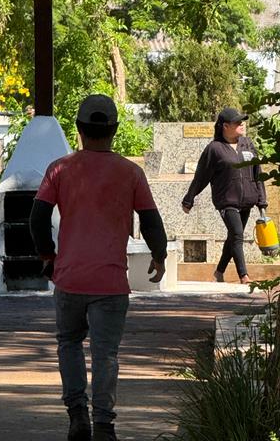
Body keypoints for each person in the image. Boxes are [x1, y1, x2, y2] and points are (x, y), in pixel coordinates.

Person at [29, 94, 168, 441]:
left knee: (69, 343)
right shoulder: (130, 172)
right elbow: (151, 220)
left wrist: (48, 256)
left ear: (78, 129)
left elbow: (37, 217)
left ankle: (77, 415)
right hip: (110, 283)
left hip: (69, 279)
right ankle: (104, 424)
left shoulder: (59, 169)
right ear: (115, 130)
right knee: (106, 354)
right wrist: (159, 255)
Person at [182, 106, 267, 284]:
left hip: (247, 201)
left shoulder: (248, 144)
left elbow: (257, 172)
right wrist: (189, 199)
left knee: (233, 237)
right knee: (237, 234)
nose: (242, 124)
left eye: (242, 121)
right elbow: (201, 177)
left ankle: (219, 272)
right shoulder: (214, 149)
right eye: (237, 122)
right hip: (227, 201)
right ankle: (244, 275)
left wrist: (262, 200)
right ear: (225, 127)